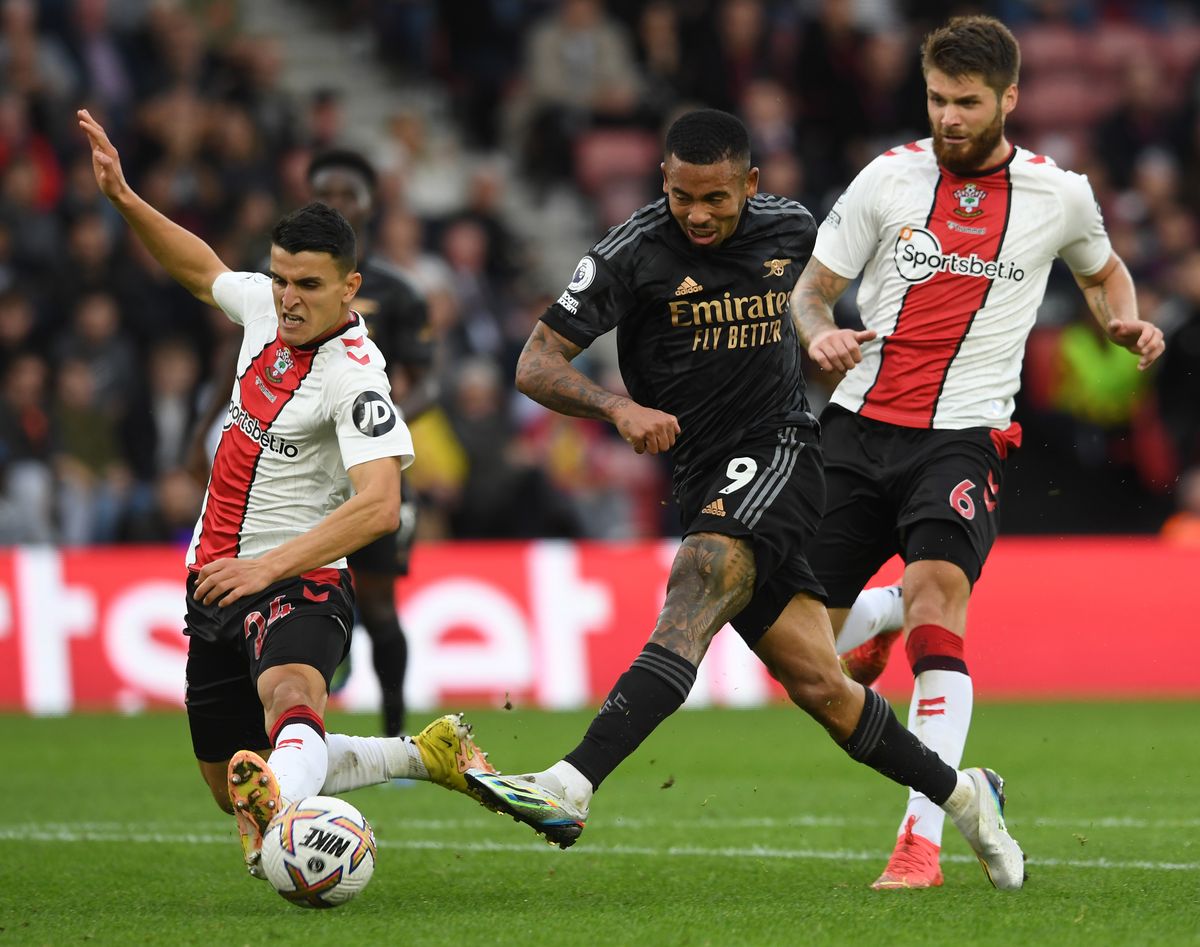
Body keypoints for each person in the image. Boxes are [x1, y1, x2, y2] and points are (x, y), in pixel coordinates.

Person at [465, 108, 1026, 890]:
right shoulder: (630, 252)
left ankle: (570, 783)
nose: (697, 214)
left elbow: (860, 283)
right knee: (823, 686)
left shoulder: (793, 226)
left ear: (750, 186)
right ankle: (968, 797)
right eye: (682, 196)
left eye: (717, 199)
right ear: (662, 181)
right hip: (701, 472)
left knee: (695, 581)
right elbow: (535, 362)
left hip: (782, 449)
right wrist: (617, 408)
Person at [789, 16, 1165, 890]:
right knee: (798, 643)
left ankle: (921, 840)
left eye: (966, 101)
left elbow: (1104, 268)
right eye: (936, 99)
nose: (949, 117)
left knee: (941, 605)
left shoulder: (1057, 193)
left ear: (1008, 99)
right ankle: (878, 622)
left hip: (964, 438)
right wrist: (817, 335)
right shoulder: (887, 177)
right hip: (856, 428)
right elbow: (814, 291)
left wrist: (1121, 318)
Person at [77, 109, 494, 882]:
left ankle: (297, 823)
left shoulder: (357, 376)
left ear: (349, 287)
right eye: (281, 278)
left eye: (310, 285)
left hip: (299, 577)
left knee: (293, 692)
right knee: (230, 781)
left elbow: (379, 505)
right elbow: (201, 268)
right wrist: (126, 199)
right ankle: (418, 753)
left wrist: (268, 570)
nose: (291, 298)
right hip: (214, 577)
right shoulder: (266, 306)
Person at [307, 148, 436, 737]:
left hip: (373, 466)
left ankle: (392, 733)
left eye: (346, 192)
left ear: (366, 204)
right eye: (323, 192)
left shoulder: (399, 293)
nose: (335, 203)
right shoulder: (283, 286)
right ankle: (298, 732)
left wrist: (376, 426)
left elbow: (428, 380)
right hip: (303, 468)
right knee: (298, 598)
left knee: (380, 606)